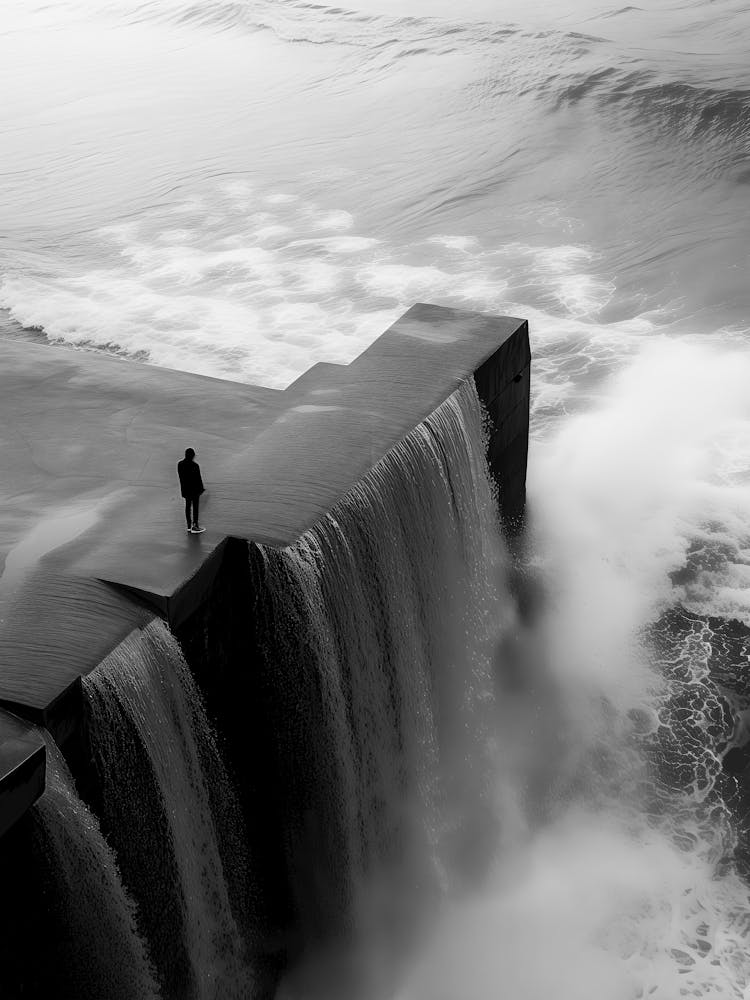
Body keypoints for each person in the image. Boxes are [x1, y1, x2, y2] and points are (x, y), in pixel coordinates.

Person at [177, 448, 205, 533]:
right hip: (195, 490)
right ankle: (195, 526)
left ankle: (189, 526)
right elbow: (198, 479)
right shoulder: (195, 465)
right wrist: (201, 489)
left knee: (187, 507)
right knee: (195, 507)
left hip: (185, 489)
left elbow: (181, 477)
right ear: (192, 455)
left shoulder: (180, 464)